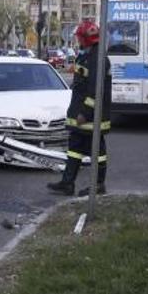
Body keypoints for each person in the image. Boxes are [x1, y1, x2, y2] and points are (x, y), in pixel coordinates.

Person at [48, 19, 111, 196]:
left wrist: (85, 113)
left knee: (97, 153)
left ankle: (98, 185)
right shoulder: (87, 55)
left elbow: (96, 90)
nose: (78, 41)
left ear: (86, 39)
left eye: (80, 38)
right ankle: (67, 183)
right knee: (75, 149)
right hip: (80, 114)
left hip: (90, 116)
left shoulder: (97, 58)